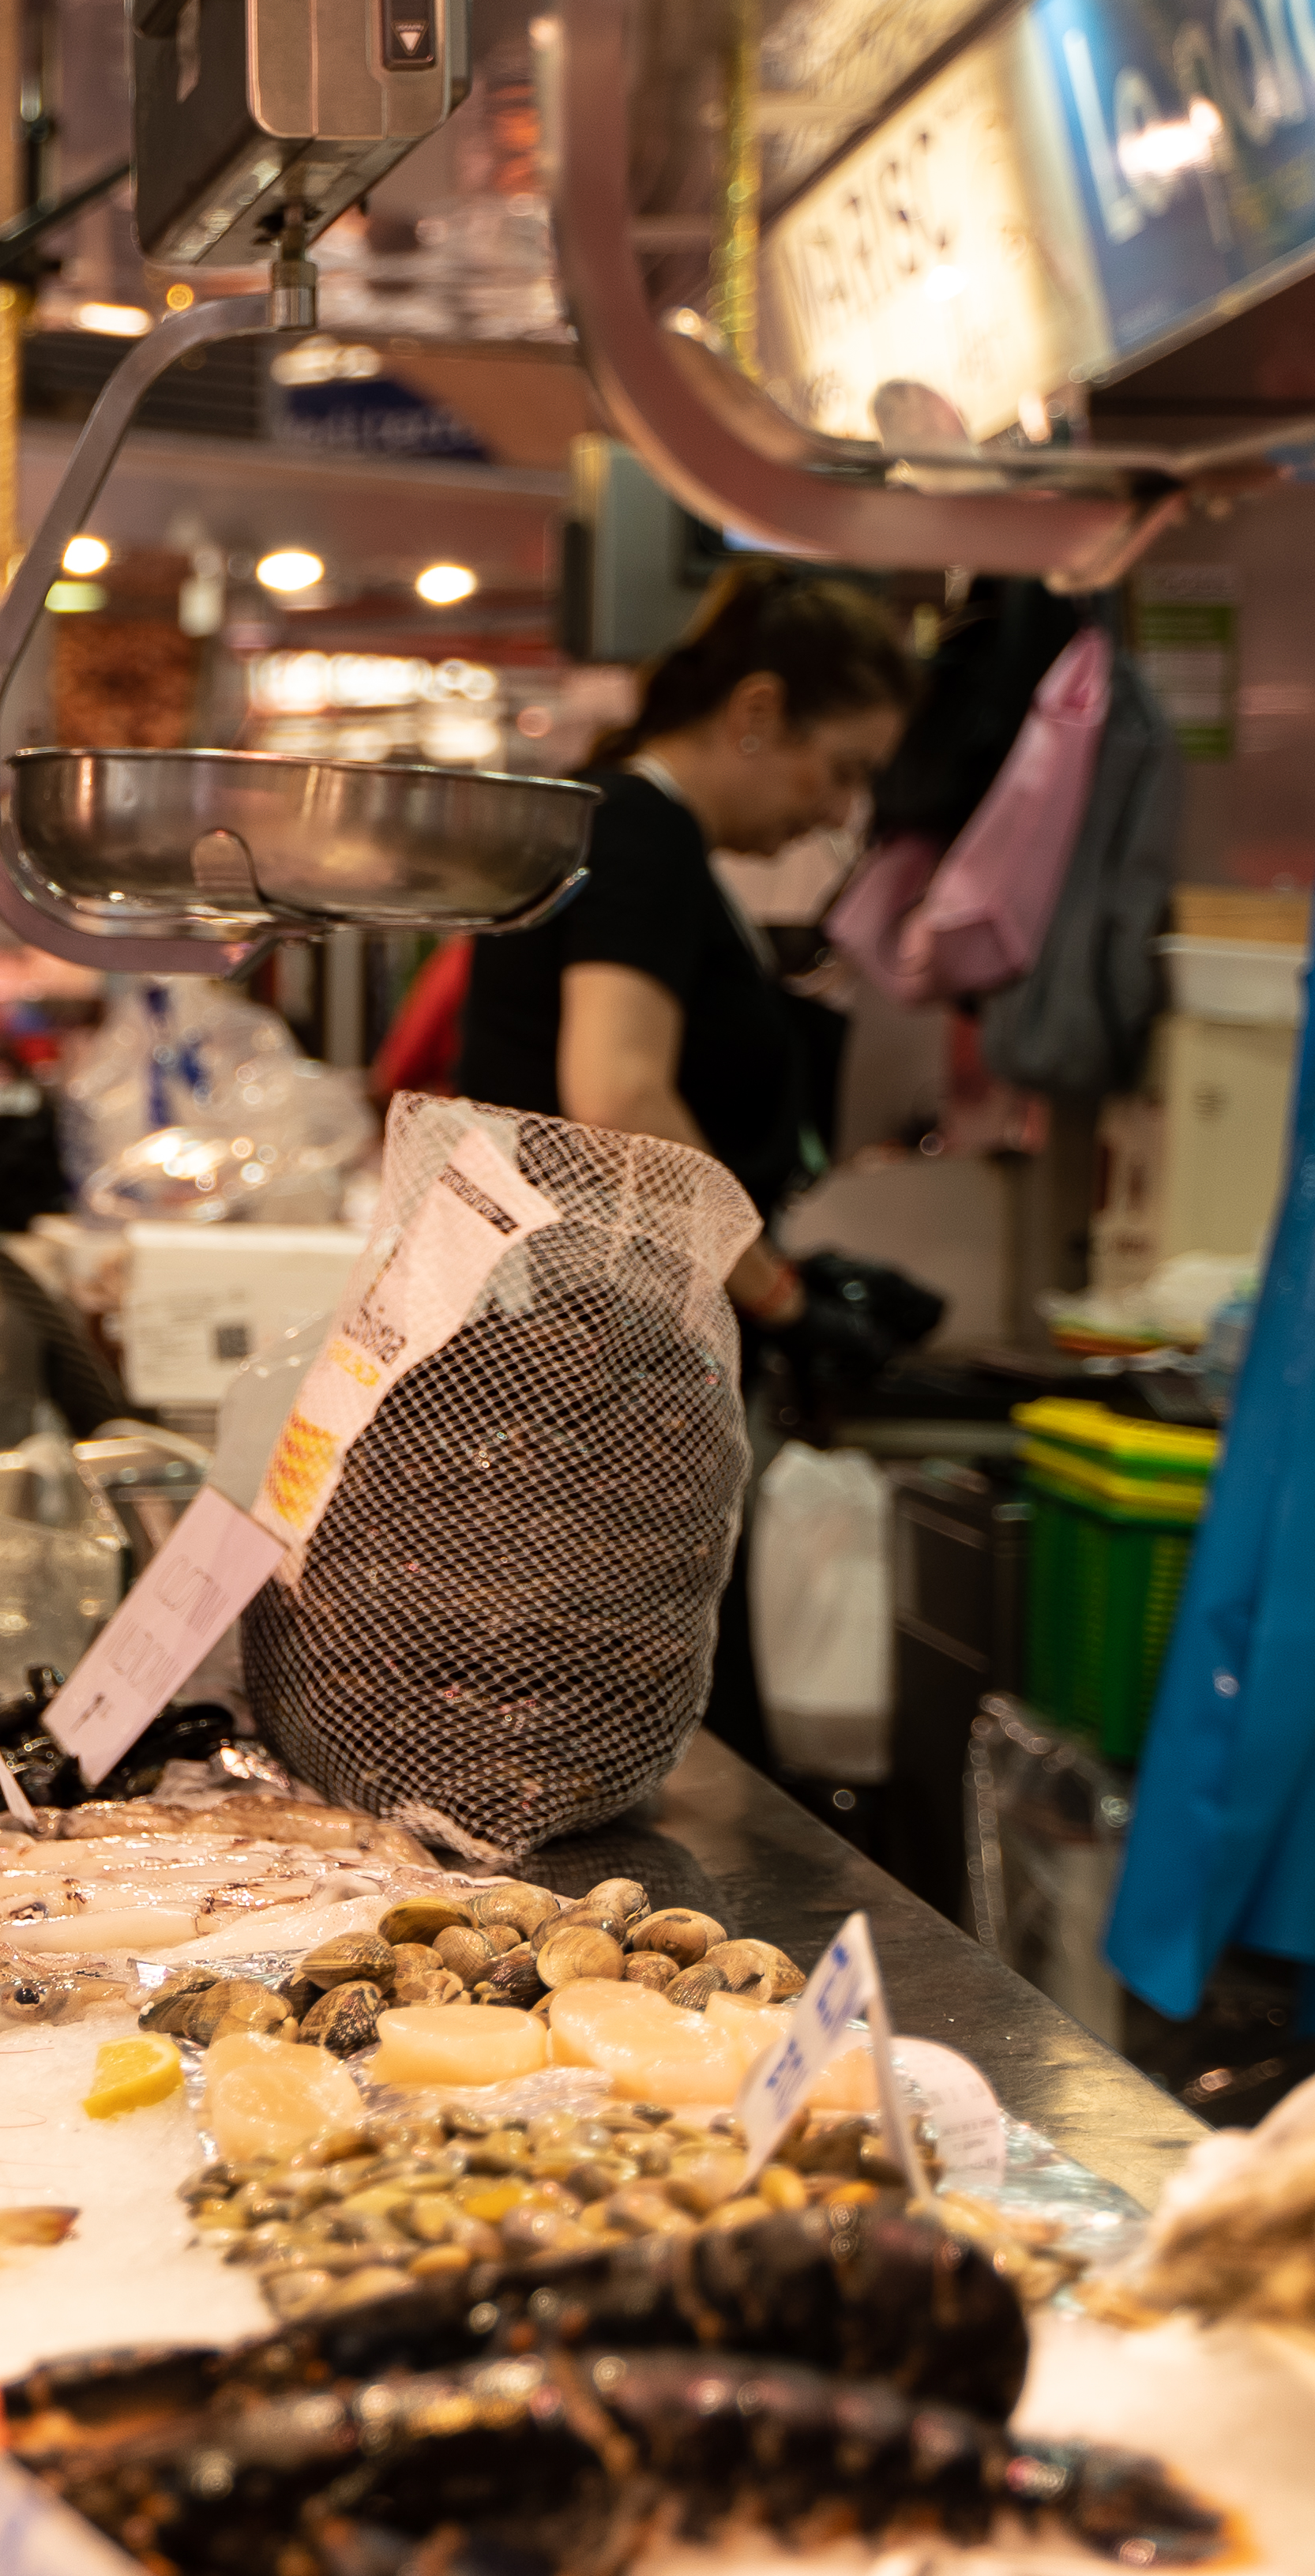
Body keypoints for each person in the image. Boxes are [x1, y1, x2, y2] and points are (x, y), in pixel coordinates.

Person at [456, 564, 927, 1772]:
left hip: (555, 1356)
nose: (838, 813)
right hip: (599, 1374)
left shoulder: (612, 827)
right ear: (758, 712)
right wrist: (775, 1293)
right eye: (843, 769)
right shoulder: (643, 830)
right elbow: (619, 1093)